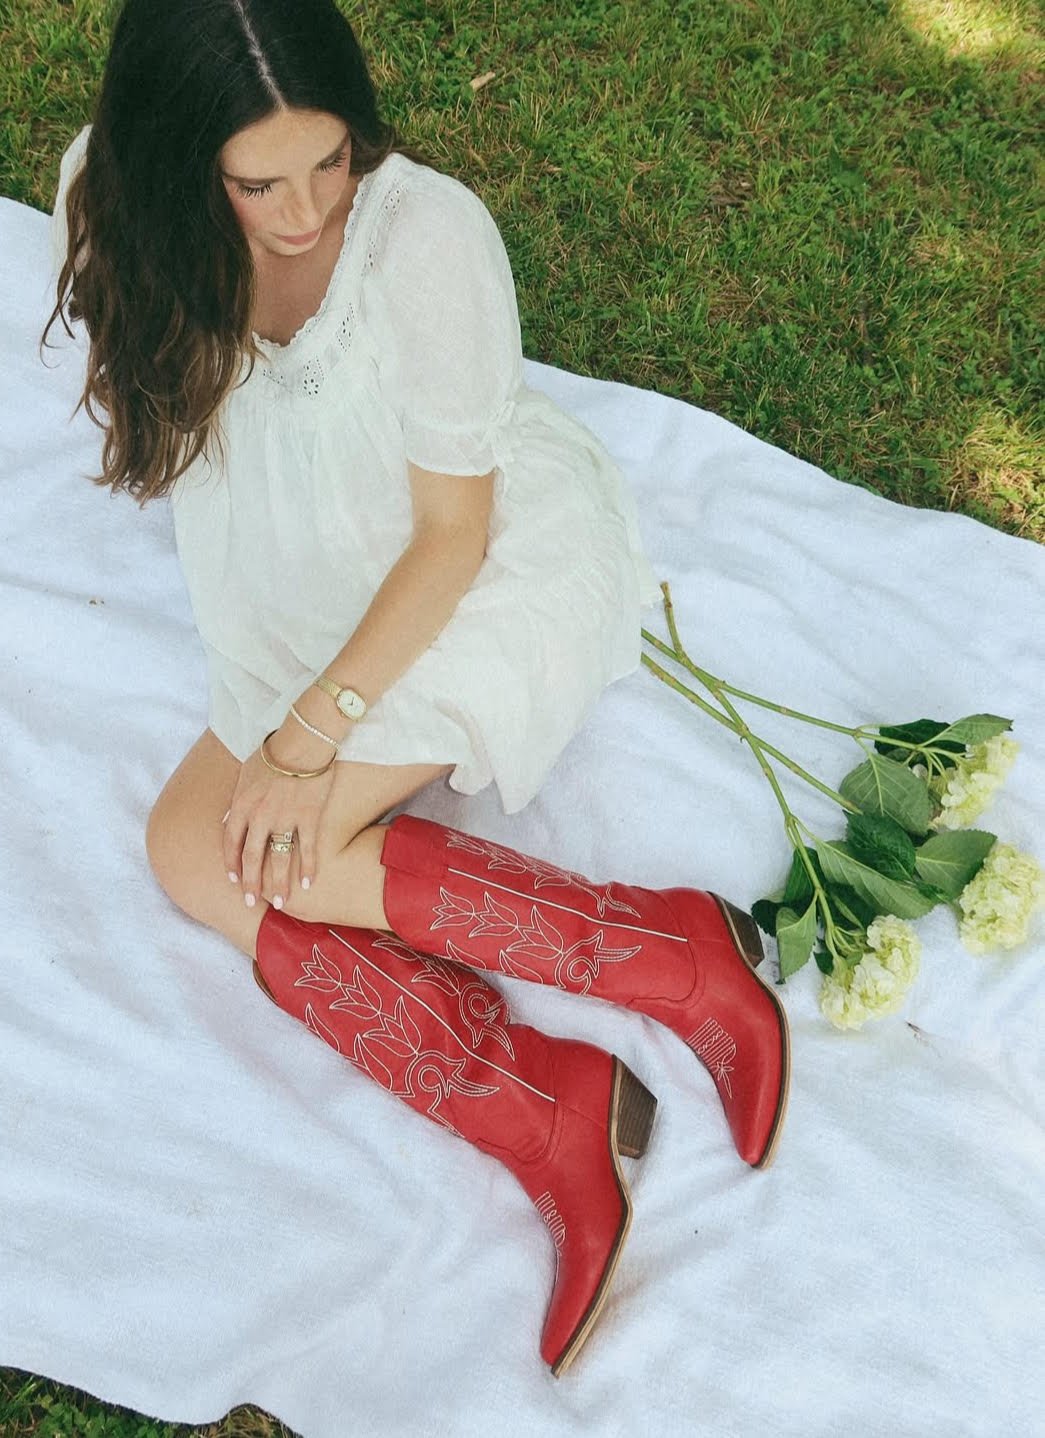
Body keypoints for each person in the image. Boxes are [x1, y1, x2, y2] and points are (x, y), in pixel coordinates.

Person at [42, 0, 790, 1377]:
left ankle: (672, 955)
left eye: (329, 162)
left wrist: (304, 739)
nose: (303, 213)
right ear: (176, 159)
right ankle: (540, 1106)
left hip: (473, 567)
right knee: (187, 851)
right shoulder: (111, 197)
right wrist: (287, 721)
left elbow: (454, 534)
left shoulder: (427, 238)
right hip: (294, 584)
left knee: (288, 842)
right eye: (256, 184)